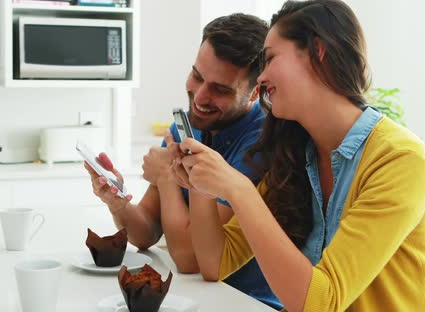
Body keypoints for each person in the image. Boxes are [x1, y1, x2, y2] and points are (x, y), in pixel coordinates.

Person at [170, 1, 425, 311]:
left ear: (318, 53)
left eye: (270, 58)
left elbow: (322, 302)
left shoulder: (400, 160)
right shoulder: (296, 153)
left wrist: (238, 189)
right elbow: (216, 263)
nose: (260, 78)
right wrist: (199, 184)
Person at [84, 13, 285, 309]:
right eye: (197, 76)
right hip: (198, 296)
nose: (200, 96)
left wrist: (166, 175)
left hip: (248, 303)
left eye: (221, 89)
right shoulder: (189, 125)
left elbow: (192, 257)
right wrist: (118, 203)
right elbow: (146, 232)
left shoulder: (262, 144)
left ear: (255, 92)